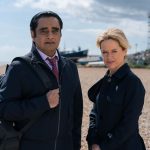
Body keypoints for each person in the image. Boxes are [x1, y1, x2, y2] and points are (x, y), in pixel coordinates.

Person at [0, 11, 83, 150]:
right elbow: (4, 109)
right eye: (44, 31)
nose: (50, 36)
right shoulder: (19, 67)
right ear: (33, 34)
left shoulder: (70, 68)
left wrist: (75, 145)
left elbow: (76, 113)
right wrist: (43, 102)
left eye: (55, 30)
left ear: (60, 34)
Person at [86, 28, 146, 150]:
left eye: (114, 51)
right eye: (105, 52)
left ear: (124, 50)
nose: (109, 57)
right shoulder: (106, 81)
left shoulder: (133, 83)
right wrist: (92, 140)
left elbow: (128, 124)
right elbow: (94, 114)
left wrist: (103, 146)